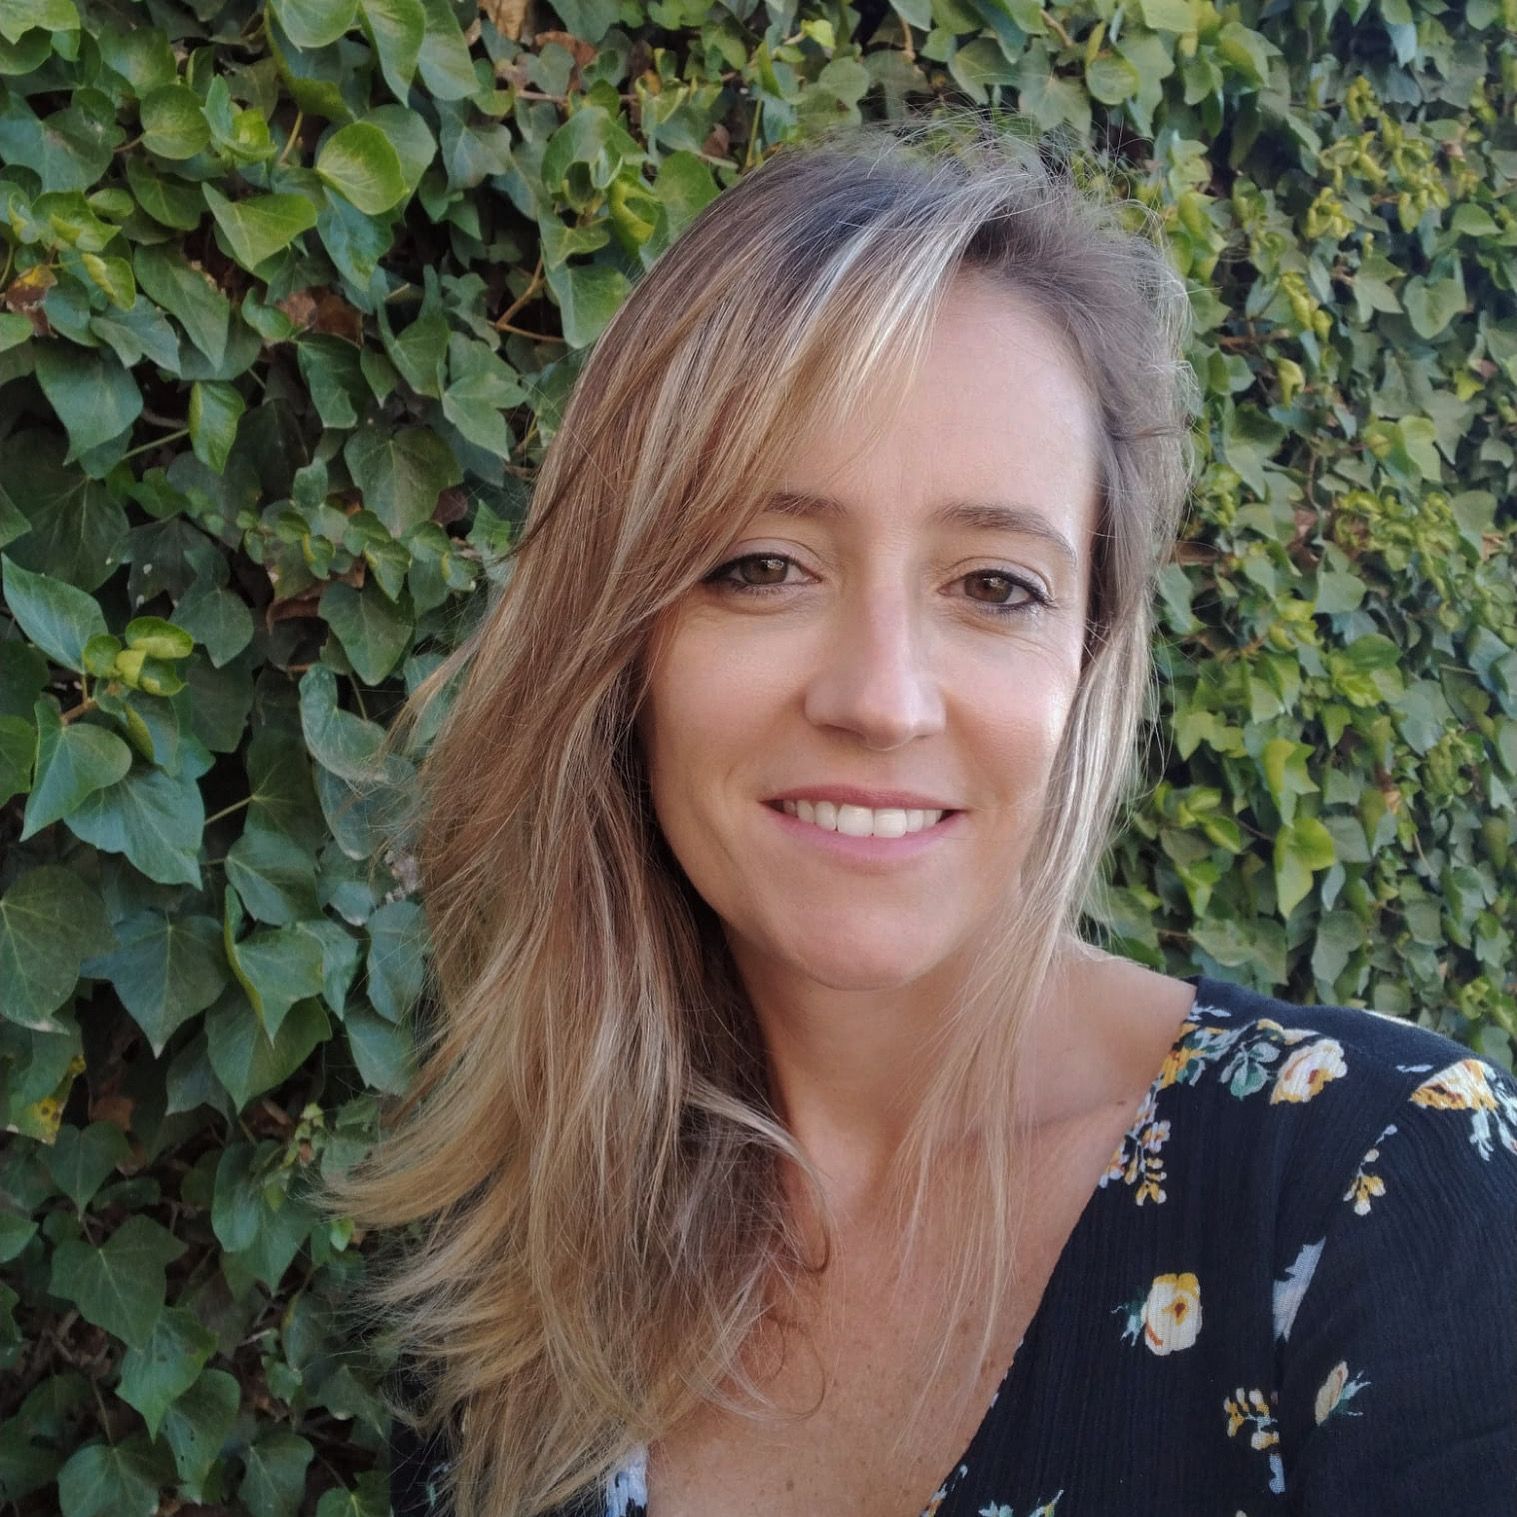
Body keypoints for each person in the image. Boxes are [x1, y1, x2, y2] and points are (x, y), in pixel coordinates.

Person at [315, 109, 1517, 1517]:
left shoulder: (1388, 1188)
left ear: (1086, 655)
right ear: (620, 641)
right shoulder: (509, 1279)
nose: (881, 700)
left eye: (995, 585)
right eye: (761, 564)